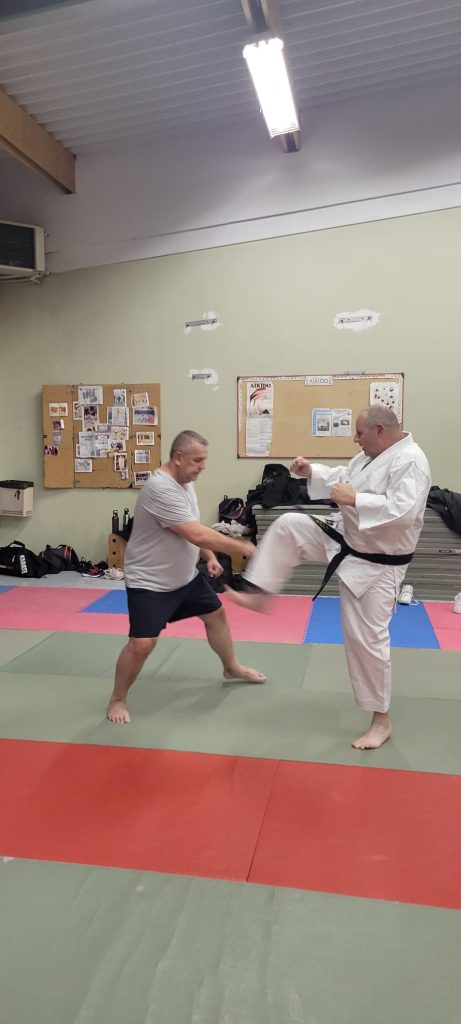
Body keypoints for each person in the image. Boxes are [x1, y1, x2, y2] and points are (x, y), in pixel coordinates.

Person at [227, 405, 431, 750]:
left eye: (360, 433)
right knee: (289, 525)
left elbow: (404, 512)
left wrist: (357, 499)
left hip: (378, 564)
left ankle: (381, 721)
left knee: (367, 641)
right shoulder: (372, 455)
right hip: (348, 538)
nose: (355, 439)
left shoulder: (411, 461)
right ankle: (260, 592)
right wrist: (312, 472)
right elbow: (346, 476)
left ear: (379, 430)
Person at [107, 430, 265, 724]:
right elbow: (195, 533)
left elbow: (191, 527)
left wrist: (210, 556)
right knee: (142, 644)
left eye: (204, 459)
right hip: (150, 582)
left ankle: (231, 667)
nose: (203, 466)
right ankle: (118, 698)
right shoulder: (160, 488)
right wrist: (243, 547)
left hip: (183, 577)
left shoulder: (185, 482)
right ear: (178, 458)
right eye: (197, 460)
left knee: (216, 615)